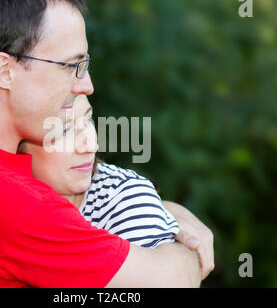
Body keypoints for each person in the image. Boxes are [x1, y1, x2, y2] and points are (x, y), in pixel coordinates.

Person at [0, 0, 214, 287]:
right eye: (71, 65)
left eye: (85, 65)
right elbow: (172, 281)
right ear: (4, 71)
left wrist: (165, 209)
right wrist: (188, 238)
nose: (86, 85)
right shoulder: (14, 207)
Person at [20, 95, 180, 248]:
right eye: (64, 130)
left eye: (88, 119)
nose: (91, 146)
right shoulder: (2, 210)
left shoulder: (125, 202)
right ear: (17, 141)